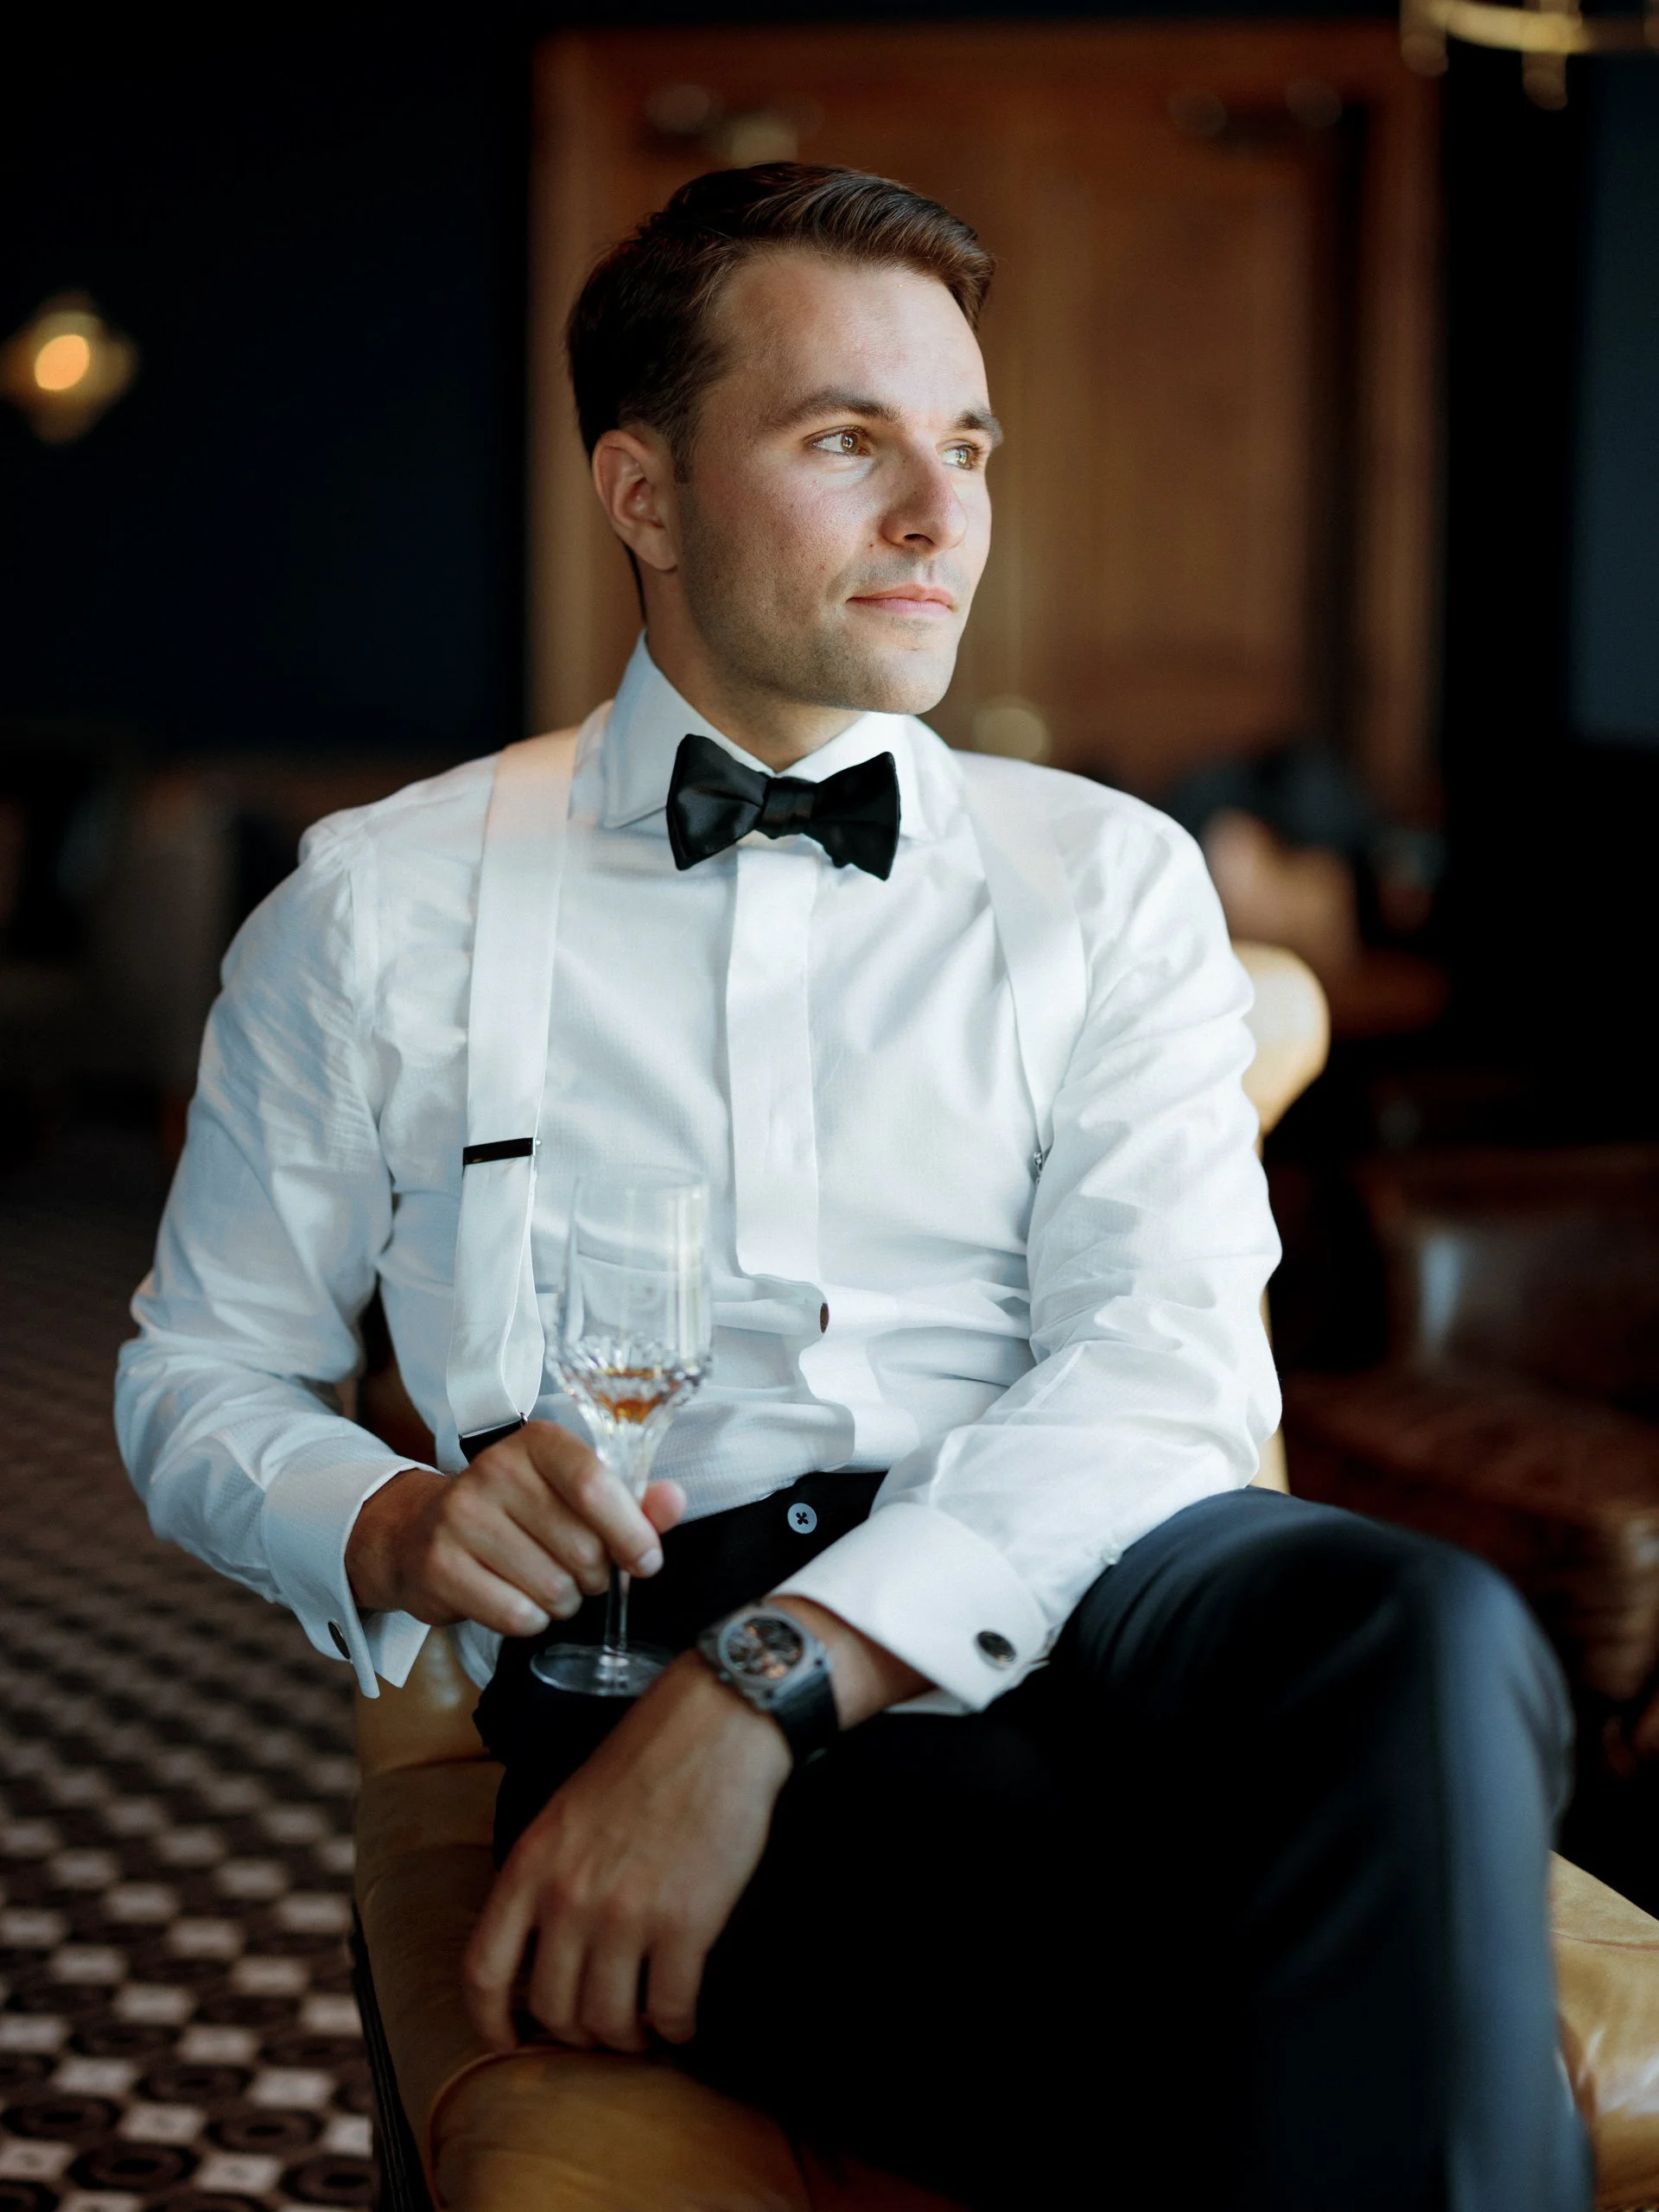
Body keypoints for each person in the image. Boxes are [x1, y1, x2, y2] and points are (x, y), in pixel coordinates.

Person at [116, 164, 1590, 2209]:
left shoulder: (1112, 877)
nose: (941, 516)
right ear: (644, 493)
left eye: (966, 446)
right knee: (1200, 1974)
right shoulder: (382, 908)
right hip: (657, 1608)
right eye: (846, 441)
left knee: (1419, 1627)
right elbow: (196, 1374)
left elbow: (1160, 1363)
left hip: (1102, 1557)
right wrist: (391, 1511)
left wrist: (771, 1684)